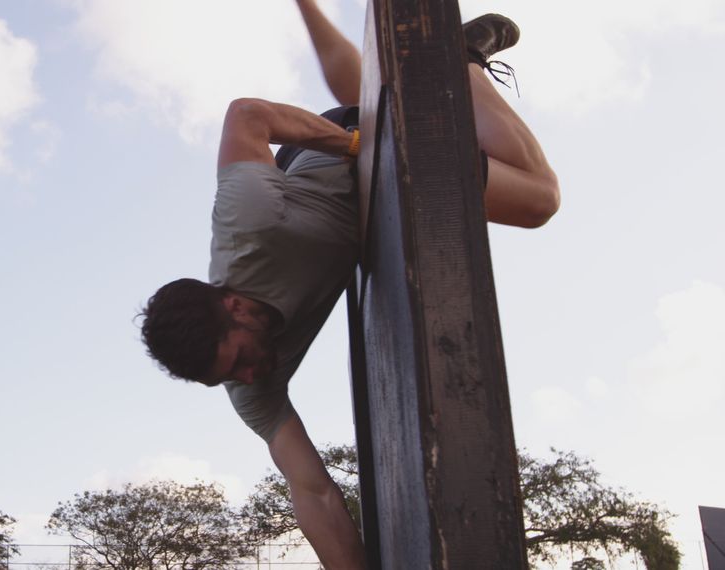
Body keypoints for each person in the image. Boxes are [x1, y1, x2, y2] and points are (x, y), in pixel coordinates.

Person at [140, 2, 559, 568]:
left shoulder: (249, 224)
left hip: (339, 149)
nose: (247, 375)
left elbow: (245, 114)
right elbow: (311, 491)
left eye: (238, 359)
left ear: (233, 303)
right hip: (359, 198)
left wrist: (360, 146)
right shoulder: (249, 392)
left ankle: (459, 62)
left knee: (540, 199)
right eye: (228, 378)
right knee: (371, 85)